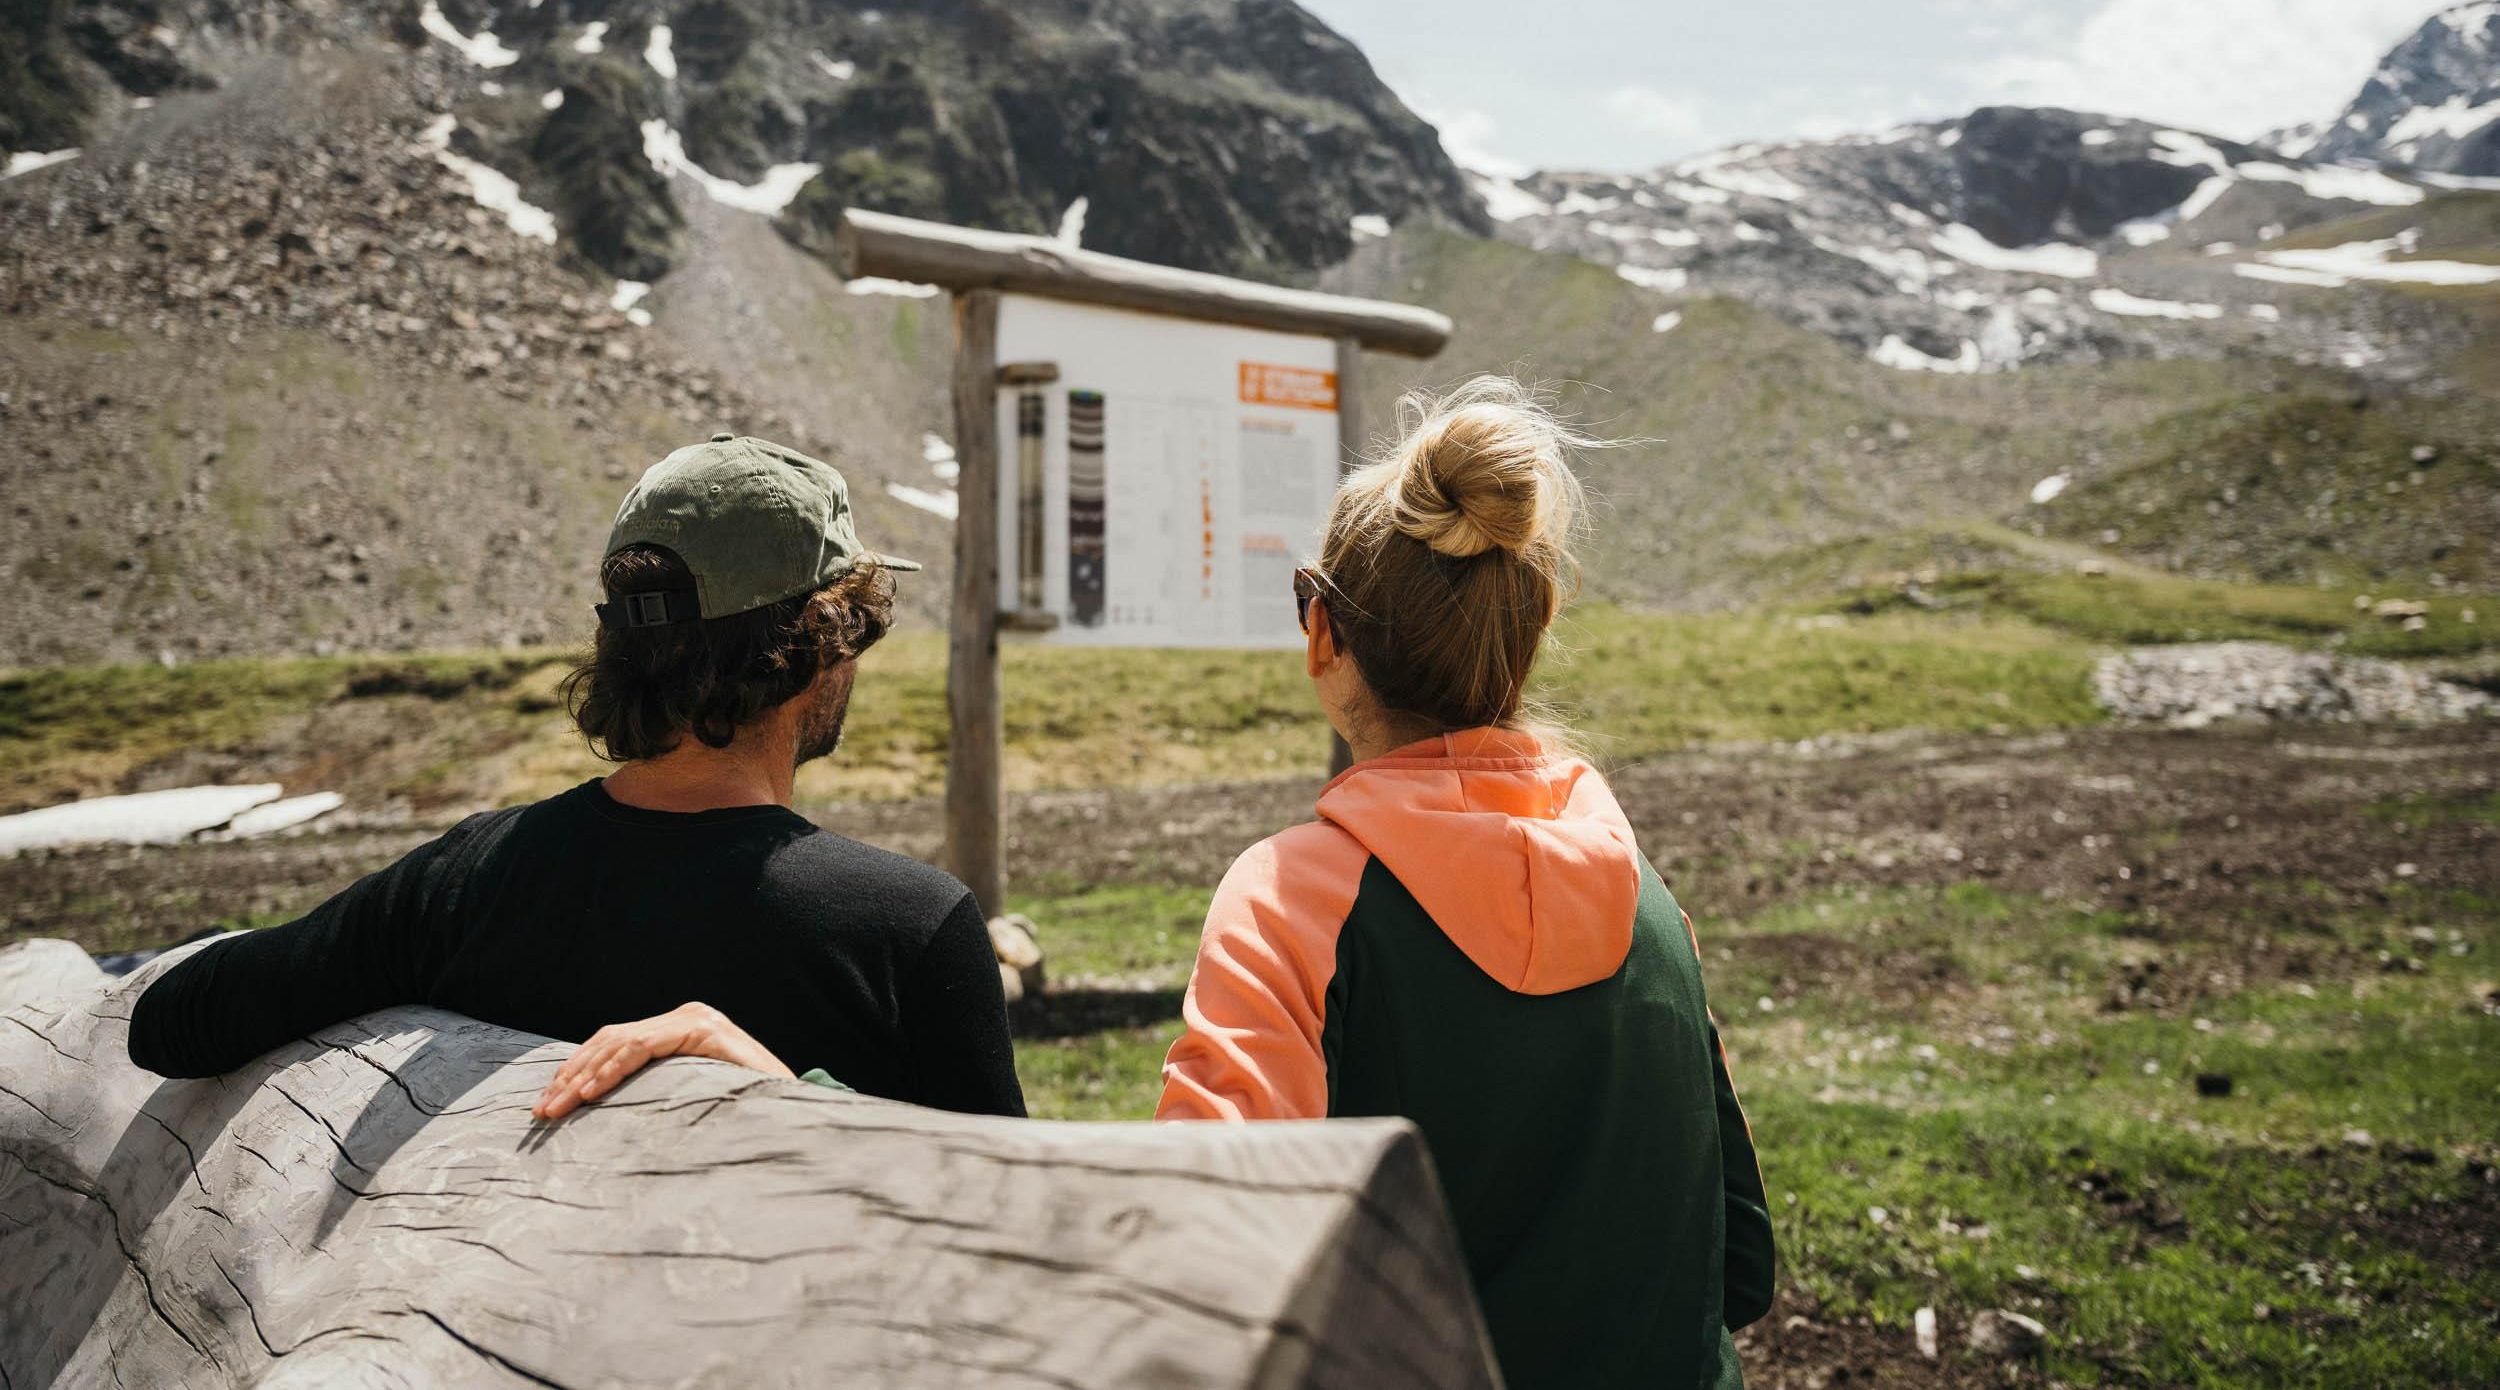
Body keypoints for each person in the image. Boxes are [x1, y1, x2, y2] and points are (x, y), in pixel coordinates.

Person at [1156, 378, 1775, 1390]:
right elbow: (1738, 1260)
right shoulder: (1648, 898)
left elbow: (1202, 1263)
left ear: (1323, 633)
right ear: (1535, 623)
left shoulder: (1286, 901)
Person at [127, 432, 1025, 1119]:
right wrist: (788, 1099)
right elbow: (1013, 1232)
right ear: (816, 646)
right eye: (857, 631)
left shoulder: (465, 882)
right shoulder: (908, 929)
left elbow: (171, 1020)